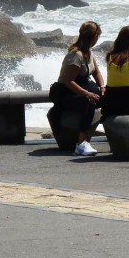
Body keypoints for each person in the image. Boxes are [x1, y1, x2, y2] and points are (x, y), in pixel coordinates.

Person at [52, 20, 105, 156]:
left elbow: (96, 72)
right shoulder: (77, 55)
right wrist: (87, 93)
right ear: (94, 37)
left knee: (107, 98)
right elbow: (69, 81)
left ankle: (115, 133)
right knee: (90, 101)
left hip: (78, 91)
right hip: (66, 93)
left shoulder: (89, 52)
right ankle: (81, 143)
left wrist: (102, 87)